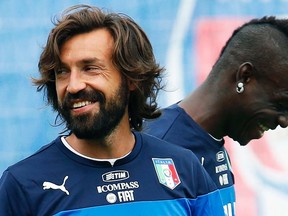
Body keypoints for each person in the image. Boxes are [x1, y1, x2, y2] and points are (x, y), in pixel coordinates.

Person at [0, 5, 224, 216]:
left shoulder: (184, 167)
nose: (74, 85)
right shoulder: (22, 184)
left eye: (90, 68)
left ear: (131, 79)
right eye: (62, 72)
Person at [144, 16, 288, 216]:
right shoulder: (156, 148)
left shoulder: (213, 144)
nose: (284, 121)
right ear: (245, 77)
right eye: (281, 104)